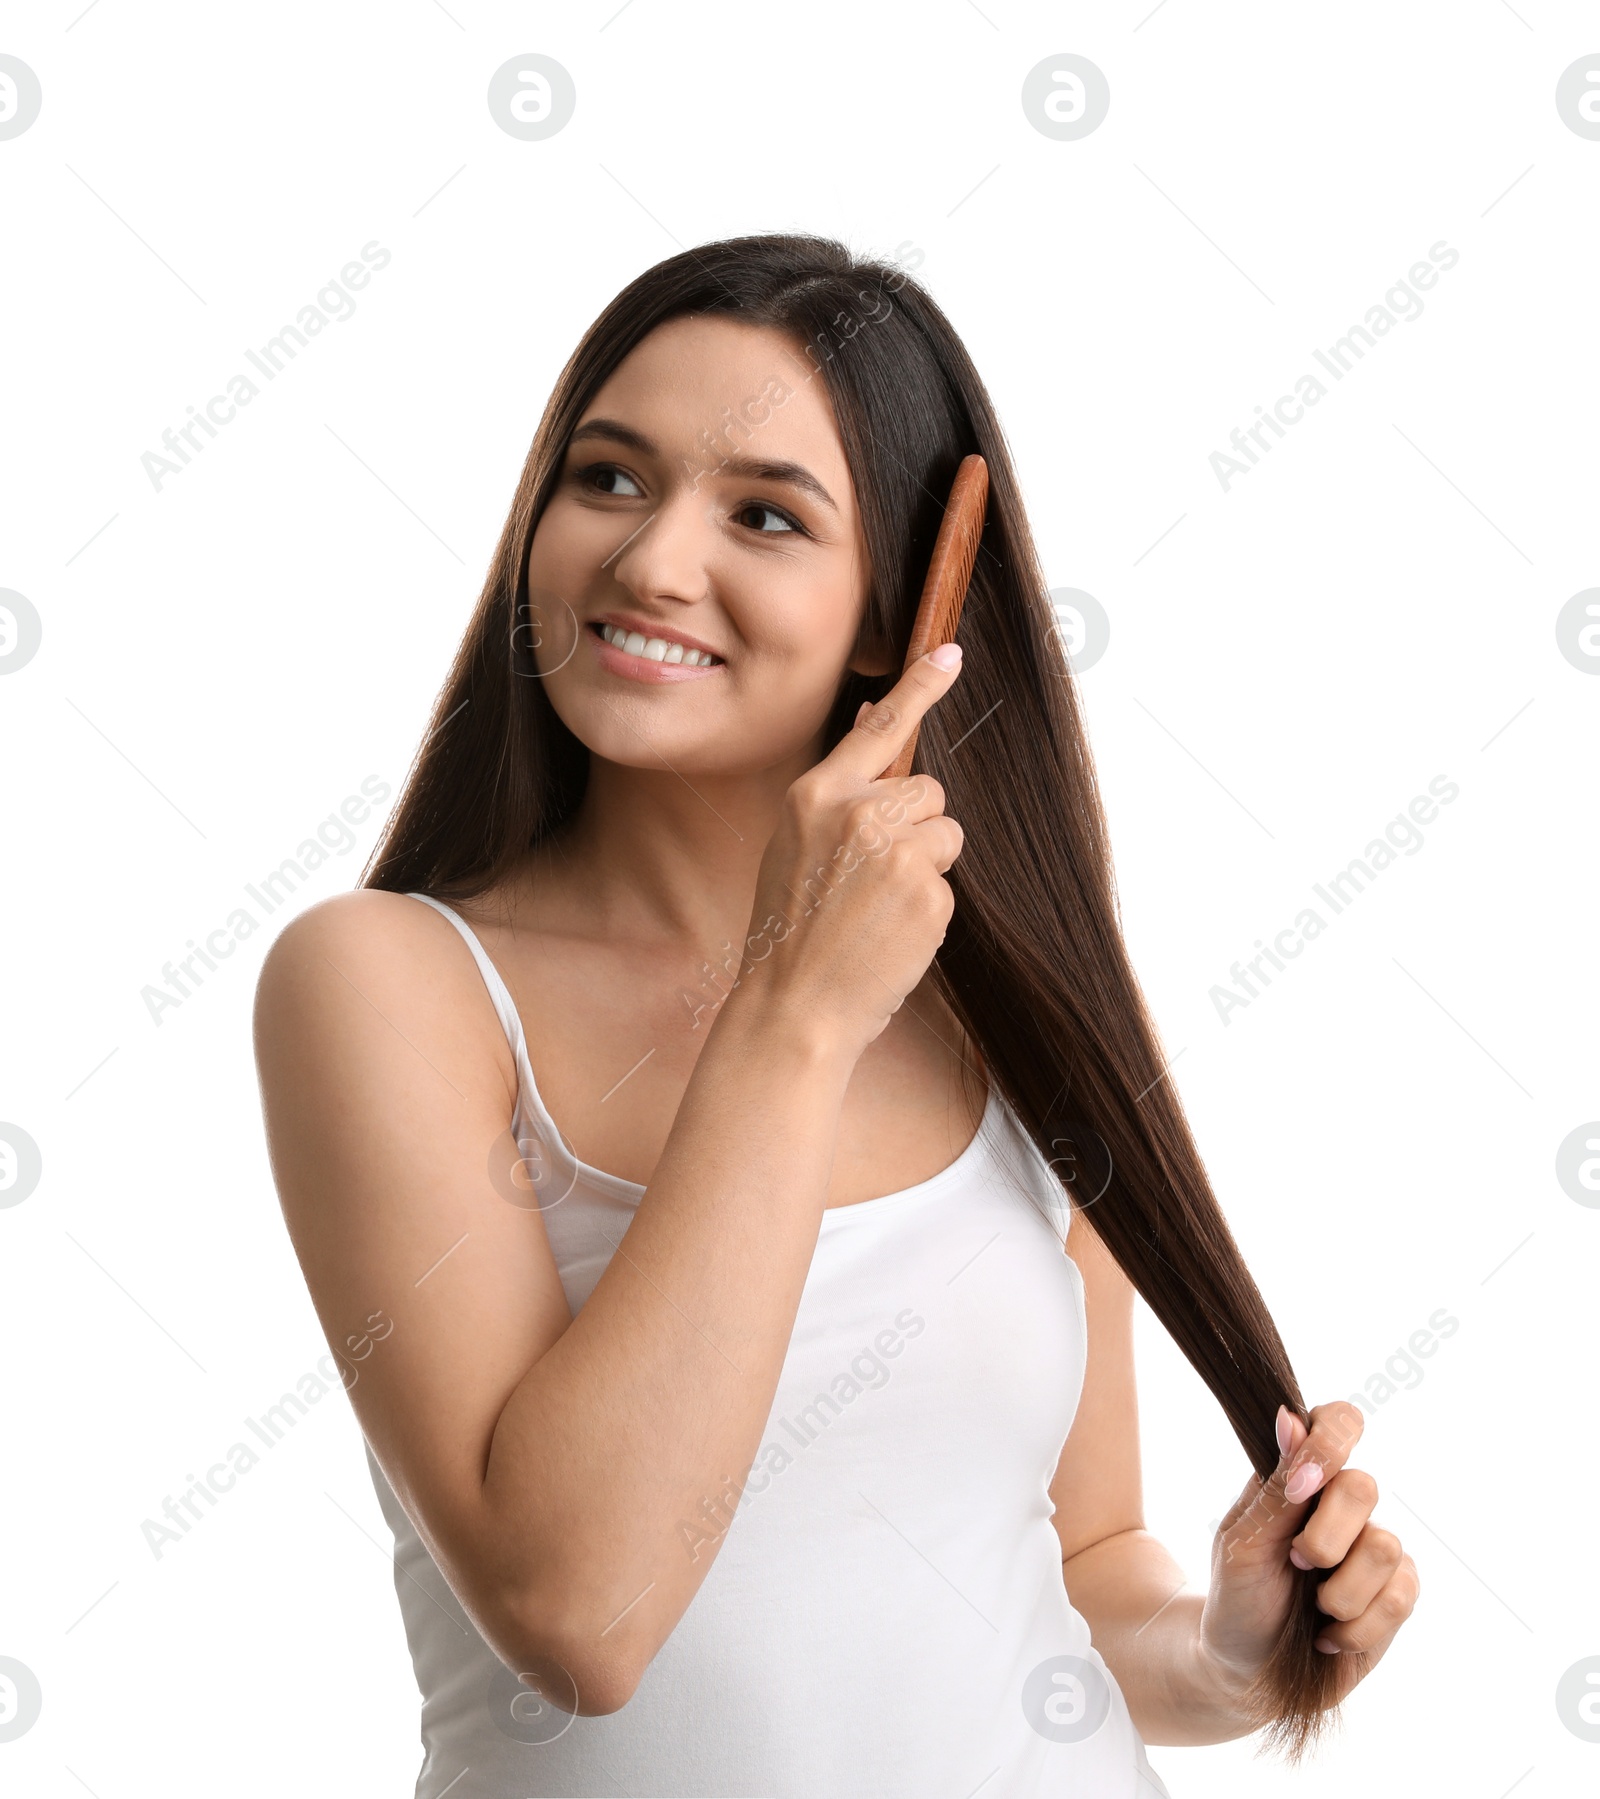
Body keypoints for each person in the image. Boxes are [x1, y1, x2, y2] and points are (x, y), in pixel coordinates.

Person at [253, 233, 1418, 1798]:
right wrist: (795, 1013)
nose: (655, 562)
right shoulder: (385, 982)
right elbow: (579, 1615)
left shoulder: (1009, 1004)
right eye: (607, 479)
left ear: (899, 619)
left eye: (763, 515)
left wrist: (1222, 1652)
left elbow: (1087, 1567)